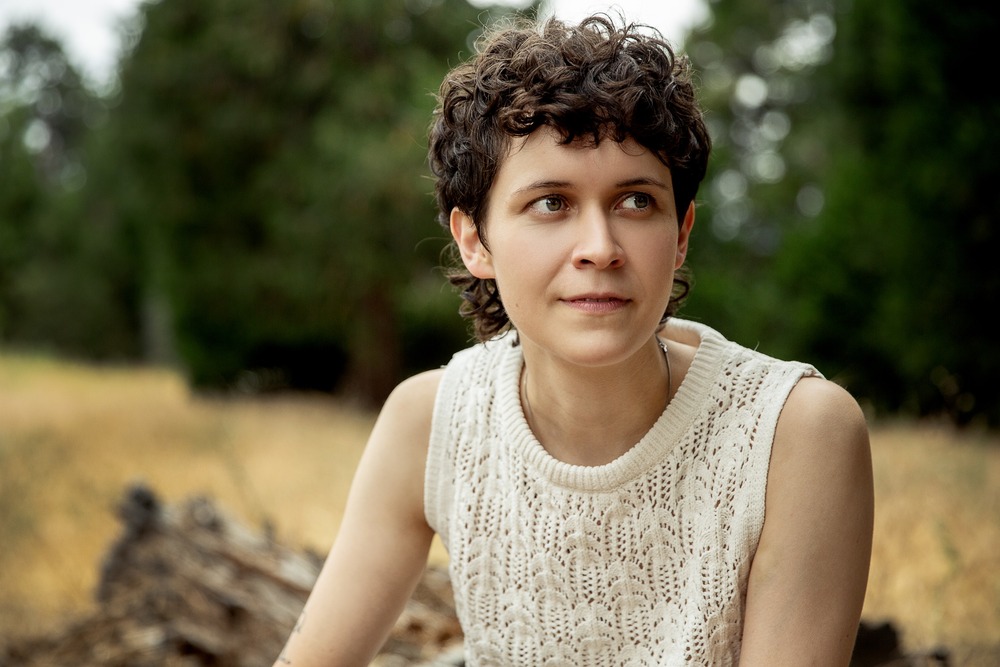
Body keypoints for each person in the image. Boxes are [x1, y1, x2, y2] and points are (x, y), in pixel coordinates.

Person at [274, 13, 873, 667]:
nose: (600, 247)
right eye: (552, 203)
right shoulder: (433, 422)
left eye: (636, 201)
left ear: (680, 234)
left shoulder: (796, 433)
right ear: (475, 240)